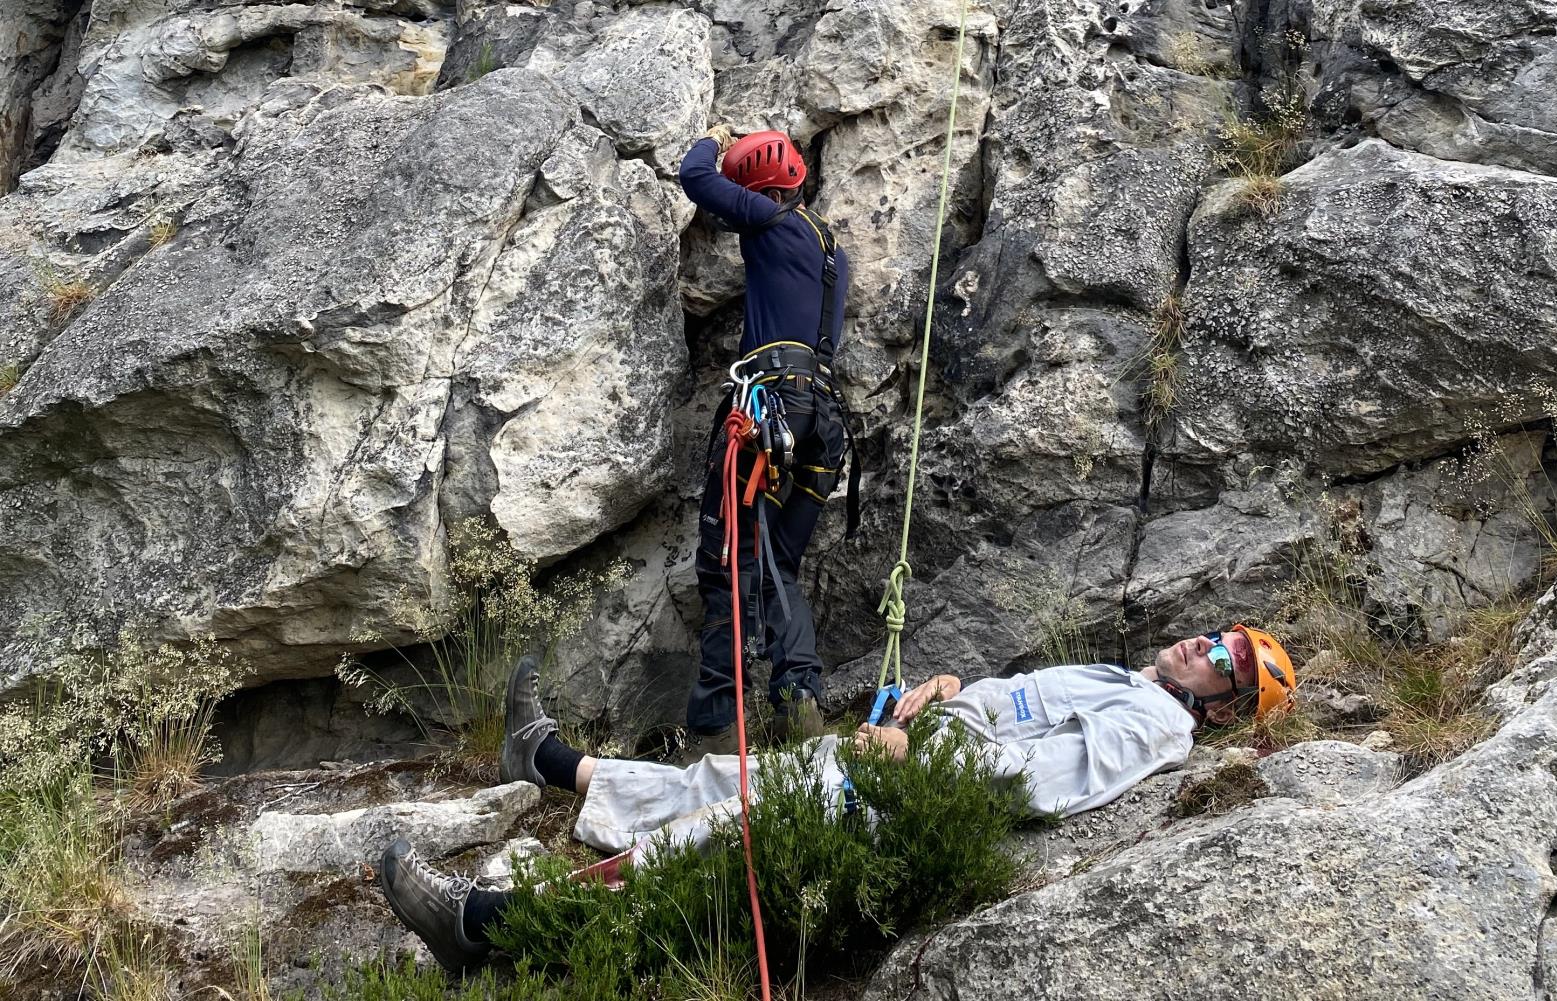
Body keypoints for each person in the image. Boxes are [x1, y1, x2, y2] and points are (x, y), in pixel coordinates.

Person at [378, 626, 1299, 971]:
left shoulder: (1155, 725)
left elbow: (1041, 779)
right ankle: (549, 760)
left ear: (1219, 710)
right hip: (903, 752)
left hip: (897, 788)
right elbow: (1017, 719)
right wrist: (945, 691)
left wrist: (919, 752)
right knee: (724, 780)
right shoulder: (1126, 677)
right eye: (1219, 636)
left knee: (707, 842)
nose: (1206, 649)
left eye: (1228, 665)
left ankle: (487, 928)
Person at [676, 124, 852, 753]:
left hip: (767, 411)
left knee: (727, 561)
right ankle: (799, 696)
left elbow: (695, 179)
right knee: (776, 562)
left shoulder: (770, 222)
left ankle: (717, 725)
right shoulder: (831, 248)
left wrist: (707, 139)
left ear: (762, 191)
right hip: (822, 426)